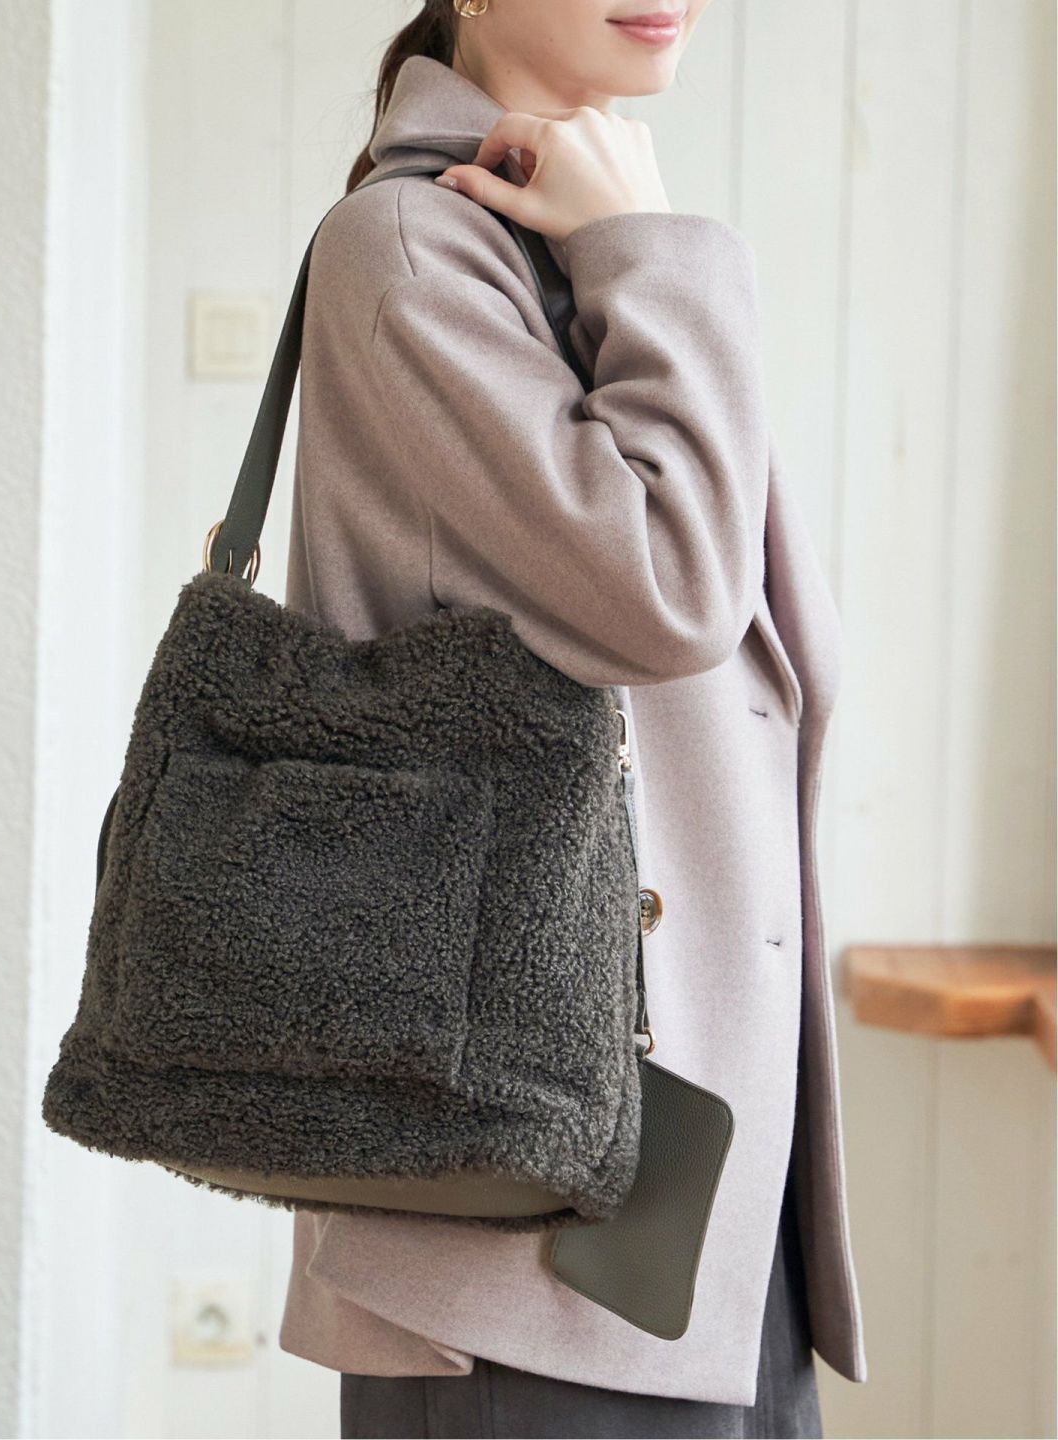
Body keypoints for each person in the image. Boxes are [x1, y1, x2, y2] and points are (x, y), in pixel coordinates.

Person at [278, 2, 868, 1435]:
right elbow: (670, 594)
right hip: (525, 1239)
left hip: (692, 1178)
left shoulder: (557, 237)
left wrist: (620, 242)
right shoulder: (410, 249)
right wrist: (647, 250)